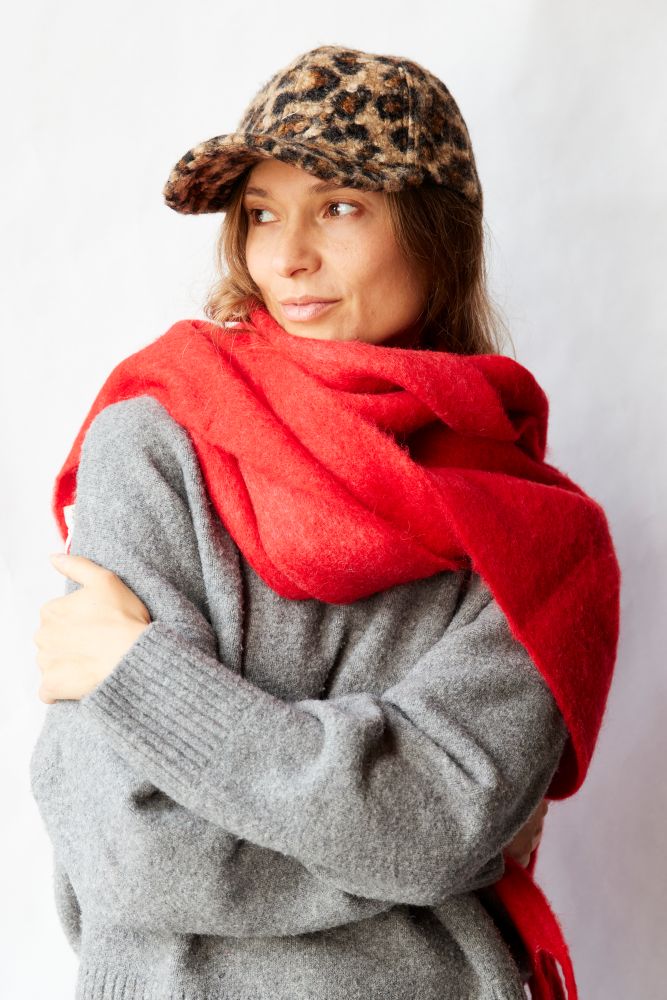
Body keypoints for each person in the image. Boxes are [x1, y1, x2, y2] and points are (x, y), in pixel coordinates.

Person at [30, 44, 620, 1000]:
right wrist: (393, 839)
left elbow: (436, 831)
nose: (287, 256)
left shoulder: (537, 538)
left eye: (340, 207)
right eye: (262, 214)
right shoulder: (156, 443)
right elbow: (129, 846)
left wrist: (144, 682)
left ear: (436, 233)